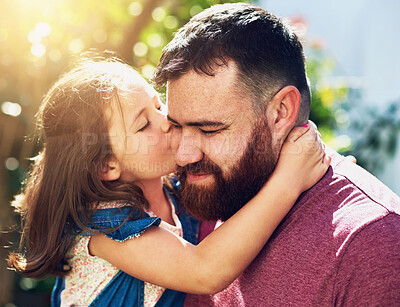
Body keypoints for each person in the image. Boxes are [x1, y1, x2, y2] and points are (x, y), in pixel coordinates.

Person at [8, 56, 329, 306]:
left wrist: (318, 175)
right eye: (143, 124)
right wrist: (290, 179)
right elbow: (204, 271)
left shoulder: (172, 187)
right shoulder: (104, 226)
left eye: (158, 106)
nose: (165, 123)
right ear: (107, 165)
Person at [152, 3, 400, 306]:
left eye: (209, 130)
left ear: (281, 112)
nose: (183, 155)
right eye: (175, 126)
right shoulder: (202, 194)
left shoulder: (371, 246)